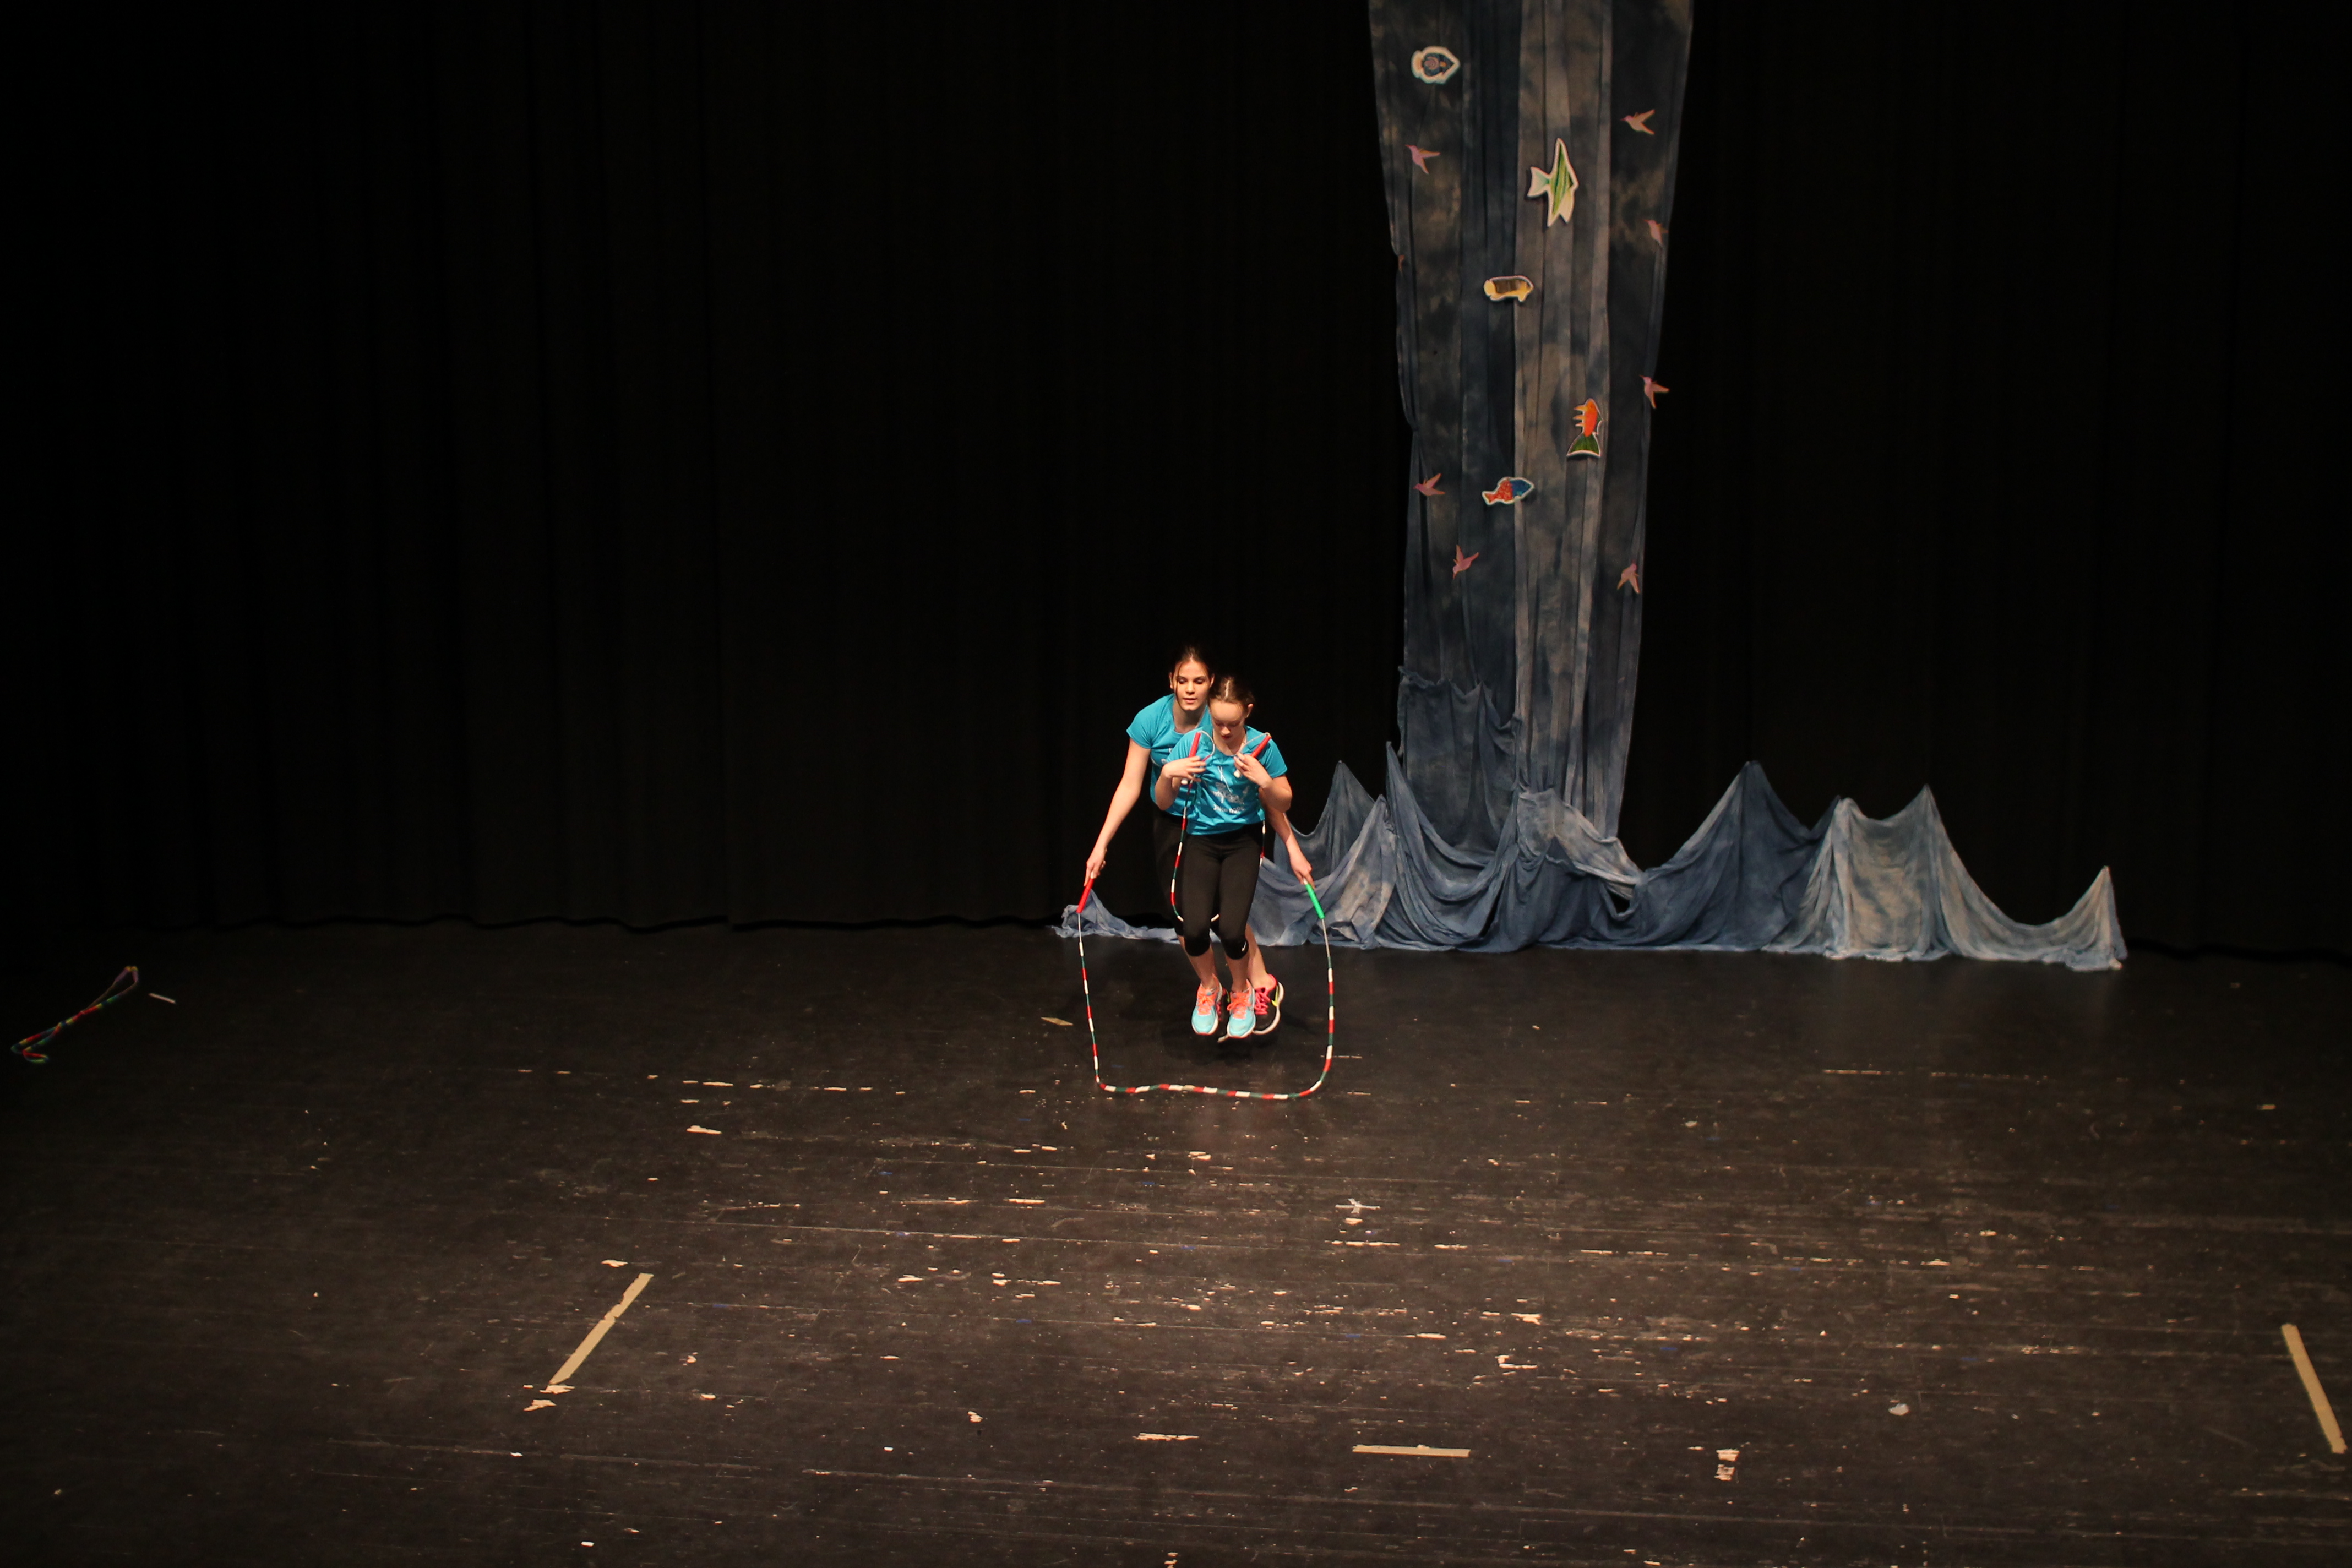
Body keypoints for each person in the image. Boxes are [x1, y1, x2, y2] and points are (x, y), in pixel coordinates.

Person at [1082, 647, 1309, 1033]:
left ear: (1212, 686)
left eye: (1199, 681)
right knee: (1188, 916)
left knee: (1230, 915)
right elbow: (1132, 785)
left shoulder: (1223, 718)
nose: (1190, 689)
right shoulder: (1155, 722)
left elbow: (1265, 797)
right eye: (1183, 681)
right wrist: (1101, 843)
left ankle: (1258, 985)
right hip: (1178, 820)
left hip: (1229, 827)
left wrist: (1292, 846)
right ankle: (1210, 987)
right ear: (1171, 681)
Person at [1153, 673, 1309, 1039]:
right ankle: (1211, 988)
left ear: (1247, 713)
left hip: (1242, 843)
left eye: (1233, 724)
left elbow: (1284, 801)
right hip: (1202, 841)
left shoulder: (1262, 746)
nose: (1224, 731)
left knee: (1231, 930)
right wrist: (1168, 774)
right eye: (1218, 722)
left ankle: (1241, 991)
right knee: (1193, 929)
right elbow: (1163, 801)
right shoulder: (1195, 743)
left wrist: (1265, 781)